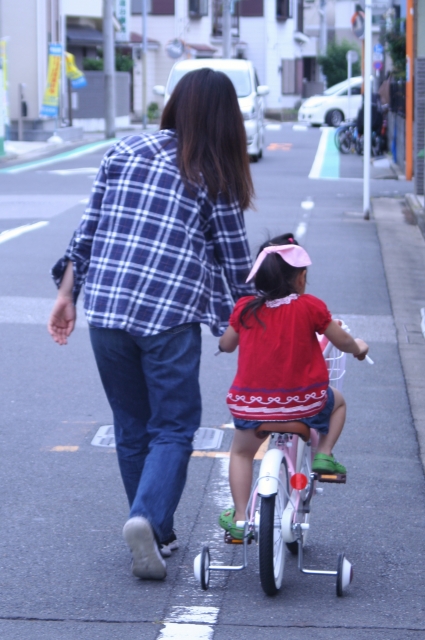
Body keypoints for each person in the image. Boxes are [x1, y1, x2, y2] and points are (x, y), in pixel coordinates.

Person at [47, 68, 255, 579]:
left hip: (108, 313)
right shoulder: (216, 172)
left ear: (175, 104)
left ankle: (153, 530)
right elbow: (234, 259)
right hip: (169, 316)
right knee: (174, 427)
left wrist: (65, 295)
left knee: (131, 426)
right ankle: (148, 519)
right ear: (227, 119)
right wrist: (256, 312)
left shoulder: (125, 150)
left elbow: (88, 229)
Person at [217, 234, 369, 540]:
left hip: (252, 407)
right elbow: (341, 340)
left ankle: (242, 517)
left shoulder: (245, 308)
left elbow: (226, 344)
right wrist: (358, 348)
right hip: (304, 405)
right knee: (337, 402)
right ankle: (324, 453)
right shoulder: (310, 307)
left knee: (242, 454)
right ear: (300, 278)